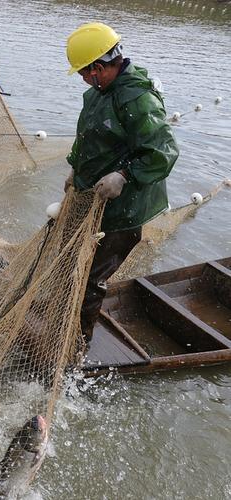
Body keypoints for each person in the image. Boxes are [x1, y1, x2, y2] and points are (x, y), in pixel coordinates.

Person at [64, 22, 179, 342]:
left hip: (123, 211)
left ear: (99, 67)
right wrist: (74, 167)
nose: (83, 79)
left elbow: (163, 152)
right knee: (67, 260)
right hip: (91, 197)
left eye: (84, 73)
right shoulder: (98, 93)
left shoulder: (137, 98)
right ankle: (61, 318)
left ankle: (74, 349)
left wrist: (124, 175)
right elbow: (87, 134)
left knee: (90, 281)